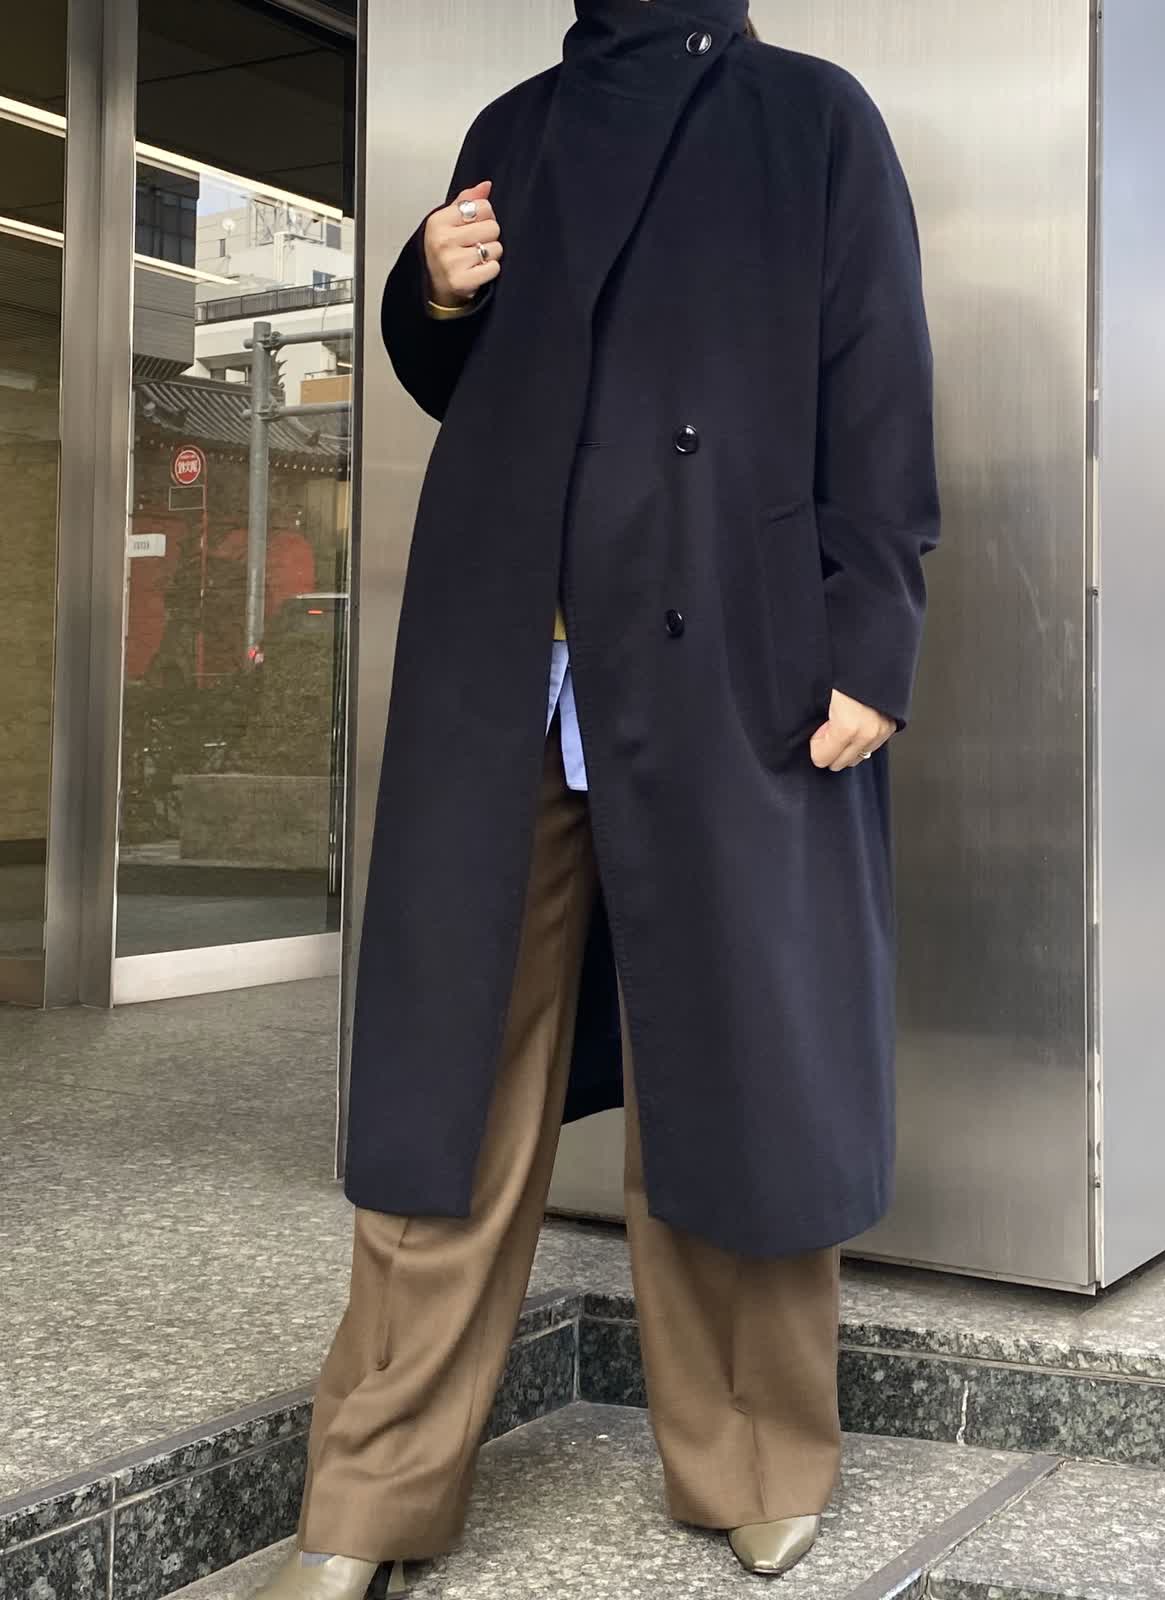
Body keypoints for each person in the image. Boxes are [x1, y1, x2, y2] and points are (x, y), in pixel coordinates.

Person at [258, 1, 938, 1593]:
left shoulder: (811, 116)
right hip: (510, 666)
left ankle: (758, 1454)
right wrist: (428, 292)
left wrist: (869, 638)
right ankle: (368, 1489)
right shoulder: (515, 125)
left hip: (729, 667)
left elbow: (878, 378)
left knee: (733, 1061)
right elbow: (473, 383)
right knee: (446, 1083)